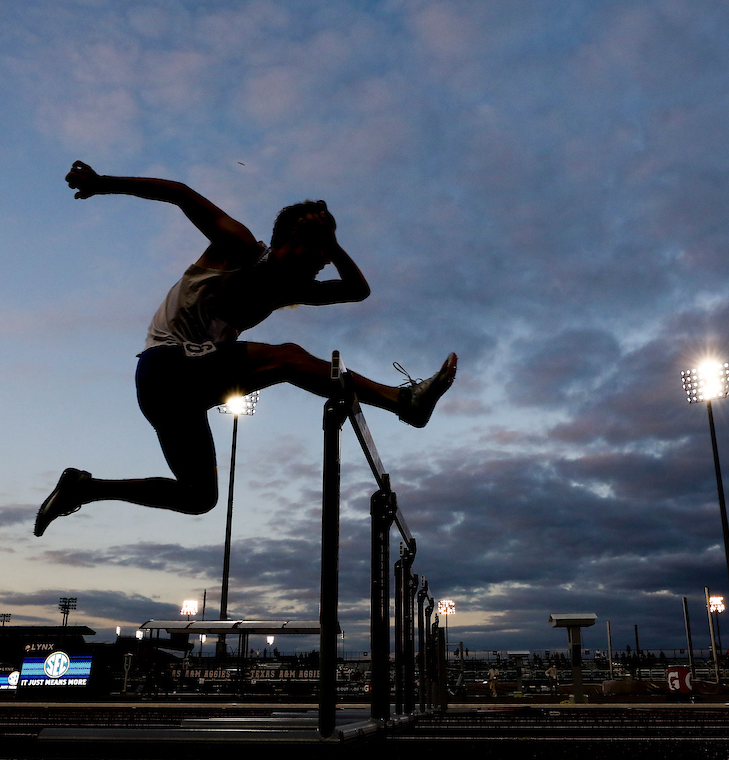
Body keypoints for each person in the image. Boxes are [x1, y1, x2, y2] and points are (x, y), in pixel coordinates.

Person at [34, 161, 457, 537]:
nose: (324, 263)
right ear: (293, 238)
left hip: (182, 390)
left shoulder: (287, 288)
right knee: (289, 356)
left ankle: (84, 488)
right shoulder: (239, 247)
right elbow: (179, 193)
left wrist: (331, 241)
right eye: (320, 252)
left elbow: (357, 291)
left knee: (199, 497)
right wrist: (102, 183)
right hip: (167, 366)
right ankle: (403, 402)